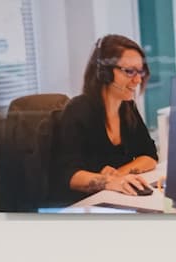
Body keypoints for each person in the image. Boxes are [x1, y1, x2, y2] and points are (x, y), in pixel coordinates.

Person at [52, 34, 158, 202]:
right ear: (105, 73)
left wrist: (119, 174)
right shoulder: (78, 111)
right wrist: (109, 181)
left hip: (115, 199)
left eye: (140, 71)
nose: (138, 80)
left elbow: (150, 156)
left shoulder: (127, 108)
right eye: (129, 72)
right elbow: (69, 175)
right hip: (83, 206)